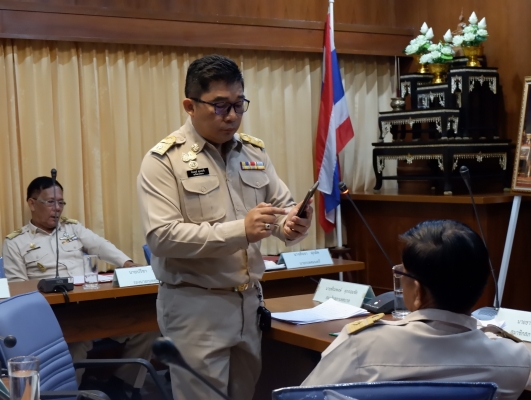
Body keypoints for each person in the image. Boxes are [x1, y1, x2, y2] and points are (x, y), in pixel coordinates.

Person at [137, 54, 313, 400]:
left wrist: (292, 223)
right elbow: (162, 237)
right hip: (195, 308)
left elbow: (281, 210)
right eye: (219, 106)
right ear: (190, 106)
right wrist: (241, 231)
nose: (231, 116)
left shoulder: (253, 153)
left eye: (238, 104)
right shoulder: (164, 161)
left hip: (248, 303)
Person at [302, 220, 531, 400]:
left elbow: (305, 397)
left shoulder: (360, 346)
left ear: (418, 290)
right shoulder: (514, 360)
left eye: (402, 273)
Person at [2, 176, 159, 400]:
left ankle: (123, 385)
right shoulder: (16, 242)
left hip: (93, 307)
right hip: (54, 316)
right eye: (50, 202)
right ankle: (68, 395)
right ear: (32, 203)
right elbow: (18, 290)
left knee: (146, 327)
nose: (57, 208)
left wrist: (127, 264)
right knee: (76, 343)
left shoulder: (72, 228)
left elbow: (101, 246)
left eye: (61, 202)